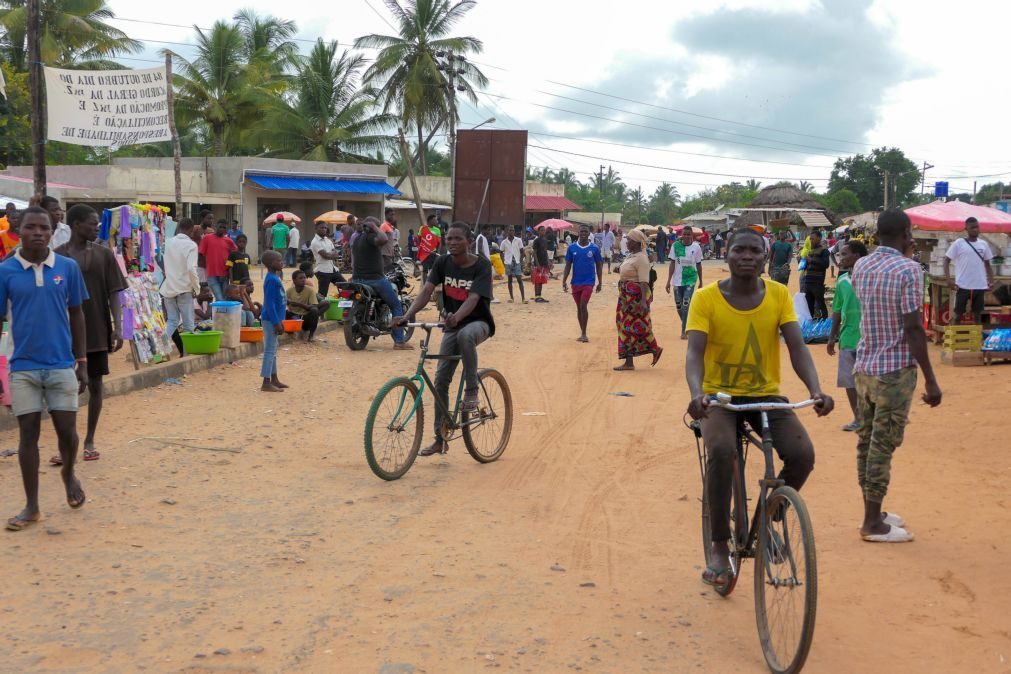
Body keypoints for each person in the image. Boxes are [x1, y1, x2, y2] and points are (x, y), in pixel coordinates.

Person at [685, 227, 834, 586]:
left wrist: (815, 389)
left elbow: (797, 347)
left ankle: (768, 519)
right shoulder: (706, 298)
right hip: (719, 398)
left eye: (755, 250)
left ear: (766, 257)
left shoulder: (780, 294)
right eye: (740, 250)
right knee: (721, 451)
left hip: (765, 395)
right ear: (728, 253)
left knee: (802, 454)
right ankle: (720, 545)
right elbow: (694, 353)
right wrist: (697, 393)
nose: (747, 256)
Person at [851, 209, 942, 543]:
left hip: (865, 366)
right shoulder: (909, 269)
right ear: (906, 233)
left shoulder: (862, 265)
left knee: (867, 441)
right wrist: (931, 379)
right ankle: (872, 523)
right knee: (883, 444)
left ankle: (872, 512)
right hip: (894, 369)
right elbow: (914, 327)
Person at [0, 207, 89, 531]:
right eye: (31, 227)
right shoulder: (5, 271)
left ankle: (68, 473)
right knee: (28, 435)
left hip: (61, 364)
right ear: (18, 230)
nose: (38, 233)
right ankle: (32, 506)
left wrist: (81, 362)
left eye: (44, 228)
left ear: (52, 232)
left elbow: (77, 313)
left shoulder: (66, 268)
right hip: (22, 365)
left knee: (68, 432)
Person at [395, 222, 495, 457]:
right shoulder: (442, 262)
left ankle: (471, 390)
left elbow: (473, 299)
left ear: (469, 241)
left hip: (478, 322)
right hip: (452, 324)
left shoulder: (482, 265)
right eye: (449, 238)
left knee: (466, 334)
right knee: (440, 379)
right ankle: (440, 438)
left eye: (457, 238)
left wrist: (457, 317)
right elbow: (426, 291)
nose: (451, 242)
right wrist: (407, 316)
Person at [51, 204, 126, 465]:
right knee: (63, 389)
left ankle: (89, 440)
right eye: (92, 223)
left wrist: (118, 327)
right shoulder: (58, 256)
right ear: (75, 225)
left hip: (96, 329)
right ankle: (65, 444)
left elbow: (115, 293)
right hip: (63, 333)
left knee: (95, 385)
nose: (97, 227)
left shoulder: (105, 255)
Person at [352, 216, 412, 350]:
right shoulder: (370, 237)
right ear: (372, 227)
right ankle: (399, 341)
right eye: (377, 227)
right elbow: (384, 239)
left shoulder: (357, 239)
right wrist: (374, 227)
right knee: (396, 305)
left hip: (357, 279)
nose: (379, 229)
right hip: (375, 280)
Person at [827, 240, 868, 432]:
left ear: (857, 256)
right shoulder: (842, 281)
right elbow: (836, 310)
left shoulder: (871, 279)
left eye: (844, 254)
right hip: (847, 338)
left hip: (870, 339)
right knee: (849, 382)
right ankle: (858, 418)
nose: (840, 258)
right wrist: (831, 337)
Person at [614, 229, 662, 371]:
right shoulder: (631, 255)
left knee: (633, 326)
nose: (627, 242)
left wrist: (642, 302)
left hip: (634, 297)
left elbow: (643, 282)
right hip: (625, 295)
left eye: (629, 240)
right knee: (625, 326)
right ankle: (643, 354)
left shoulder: (641, 258)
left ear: (636, 242)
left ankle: (650, 350)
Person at [944, 216, 994, 325]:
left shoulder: (984, 244)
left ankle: (977, 340)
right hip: (963, 285)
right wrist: (948, 280)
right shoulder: (958, 243)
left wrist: (991, 281)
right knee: (957, 315)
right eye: (972, 227)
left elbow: (988, 265)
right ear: (966, 229)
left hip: (980, 286)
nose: (975, 229)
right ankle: (956, 339)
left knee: (977, 316)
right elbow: (946, 261)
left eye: (977, 227)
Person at [161, 217, 200, 356]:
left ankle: (163, 343)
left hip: (169, 287)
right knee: (189, 325)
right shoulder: (191, 245)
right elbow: (191, 268)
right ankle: (186, 355)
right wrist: (197, 288)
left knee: (172, 320)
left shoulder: (168, 242)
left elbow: (162, 261)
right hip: (184, 289)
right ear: (191, 230)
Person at [561, 224, 604, 342]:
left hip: (589, 282)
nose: (584, 234)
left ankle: (584, 334)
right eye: (582, 232)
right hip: (575, 282)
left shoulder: (594, 248)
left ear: (589, 233)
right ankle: (582, 332)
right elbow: (568, 265)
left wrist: (600, 282)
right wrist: (564, 281)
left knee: (583, 305)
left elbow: (599, 265)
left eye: (586, 232)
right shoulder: (572, 248)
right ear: (578, 233)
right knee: (579, 308)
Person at [665, 226, 704, 340]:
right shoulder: (675, 246)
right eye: (684, 234)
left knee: (686, 304)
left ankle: (684, 331)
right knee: (679, 306)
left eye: (688, 234)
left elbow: (699, 264)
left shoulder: (696, 247)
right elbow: (672, 263)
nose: (686, 236)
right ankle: (688, 325)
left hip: (690, 278)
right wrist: (668, 281)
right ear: (681, 235)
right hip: (677, 280)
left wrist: (701, 281)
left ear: (692, 235)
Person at [259, 250, 288, 393]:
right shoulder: (271, 279)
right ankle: (266, 382)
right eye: (279, 260)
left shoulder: (274, 277)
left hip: (275, 318)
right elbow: (269, 303)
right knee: (269, 350)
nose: (281, 262)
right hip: (271, 319)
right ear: (271, 263)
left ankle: (274, 378)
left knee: (273, 349)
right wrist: (277, 322)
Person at [198, 219, 237, 301]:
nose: (222, 229)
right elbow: (200, 254)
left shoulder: (229, 241)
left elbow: (235, 254)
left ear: (226, 229)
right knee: (220, 299)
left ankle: (219, 314)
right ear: (216, 226)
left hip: (225, 275)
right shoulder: (207, 238)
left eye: (224, 227)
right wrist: (207, 267)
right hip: (212, 275)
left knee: (225, 298)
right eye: (220, 227)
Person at [286, 269, 329, 342]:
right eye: (300, 278)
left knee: (314, 310)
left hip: (305, 318)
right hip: (293, 316)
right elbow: (283, 303)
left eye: (304, 278)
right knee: (284, 312)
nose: (303, 280)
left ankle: (311, 335)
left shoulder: (310, 290)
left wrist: (297, 304)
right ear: (294, 280)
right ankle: (288, 331)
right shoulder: (289, 291)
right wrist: (287, 302)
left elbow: (313, 306)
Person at [310, 221, 344, 297]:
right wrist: (331, 254)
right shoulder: (315, 242)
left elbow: (335, 254)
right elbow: (326, 256)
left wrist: (330, 254)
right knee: (322, 294)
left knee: (346, 287)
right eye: (321, 227)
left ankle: (345, 305)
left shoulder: (328, 240)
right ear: (316, 229)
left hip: (333, 269)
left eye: (325, 228)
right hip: (322, 271)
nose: (324, 229)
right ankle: (321, 308)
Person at [804, 230, 831, 319]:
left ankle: (825, 323)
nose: (811, 241)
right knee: (809, 304)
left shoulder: (824, 251)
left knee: (820, 303)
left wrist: (811, 260)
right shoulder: (811, 251)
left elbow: (825, 264)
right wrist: (802, 262)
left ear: (819, 238)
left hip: (817, 282)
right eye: (810, 239)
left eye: (813, 239)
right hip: (808, 281)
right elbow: (808, 266)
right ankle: (810, 323)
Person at [501, 225, 527, 304]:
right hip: (508, 262)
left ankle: (523, 298)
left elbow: (522, 251)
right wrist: (503, 261)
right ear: (507, 232)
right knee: (509, 280)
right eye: (509, 230)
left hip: (516, 261)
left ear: (514, 232)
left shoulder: (518, 240)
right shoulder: (504, 242)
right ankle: (511, 297)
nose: (511, 232)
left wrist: (520, 260)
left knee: (519, 279)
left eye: (512, 230)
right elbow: (501, 252)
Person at [530, 226, 552, 303]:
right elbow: (534, 253)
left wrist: (548, 262)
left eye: (544, 230)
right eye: (541, 230)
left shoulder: (545, 240)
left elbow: (545, 252)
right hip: (538, 264)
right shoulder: (536, 241)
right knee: (537, 281)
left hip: (544, 263)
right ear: (538, 231)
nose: (543, 232)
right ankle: (536, 296)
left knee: (541, 280)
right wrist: (537, 265)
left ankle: (540, 296)